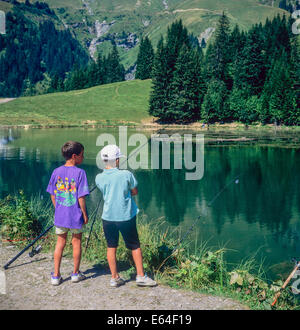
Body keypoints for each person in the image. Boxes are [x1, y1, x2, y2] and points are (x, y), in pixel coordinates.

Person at [95, 144, 157, 288]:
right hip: (125, 217)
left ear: (104, 161)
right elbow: (134, 191)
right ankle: (141, 276)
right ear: (116, 160)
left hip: (108, 218)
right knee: (135, 245)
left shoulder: (99, 178)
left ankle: (114, 277)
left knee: (111, 246)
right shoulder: (126, 174)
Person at [46, 141, 89, 286]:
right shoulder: (80, 173)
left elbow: (53, 194)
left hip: (60, 215)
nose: (84, 157)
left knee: (60, 243)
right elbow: (81, 197)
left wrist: (58, 208)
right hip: (75, 215)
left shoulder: (56, 172)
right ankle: (75, 274)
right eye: (82, 155)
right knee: (76, 242)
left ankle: (56, 276)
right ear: (74, 156)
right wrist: (84, 213)